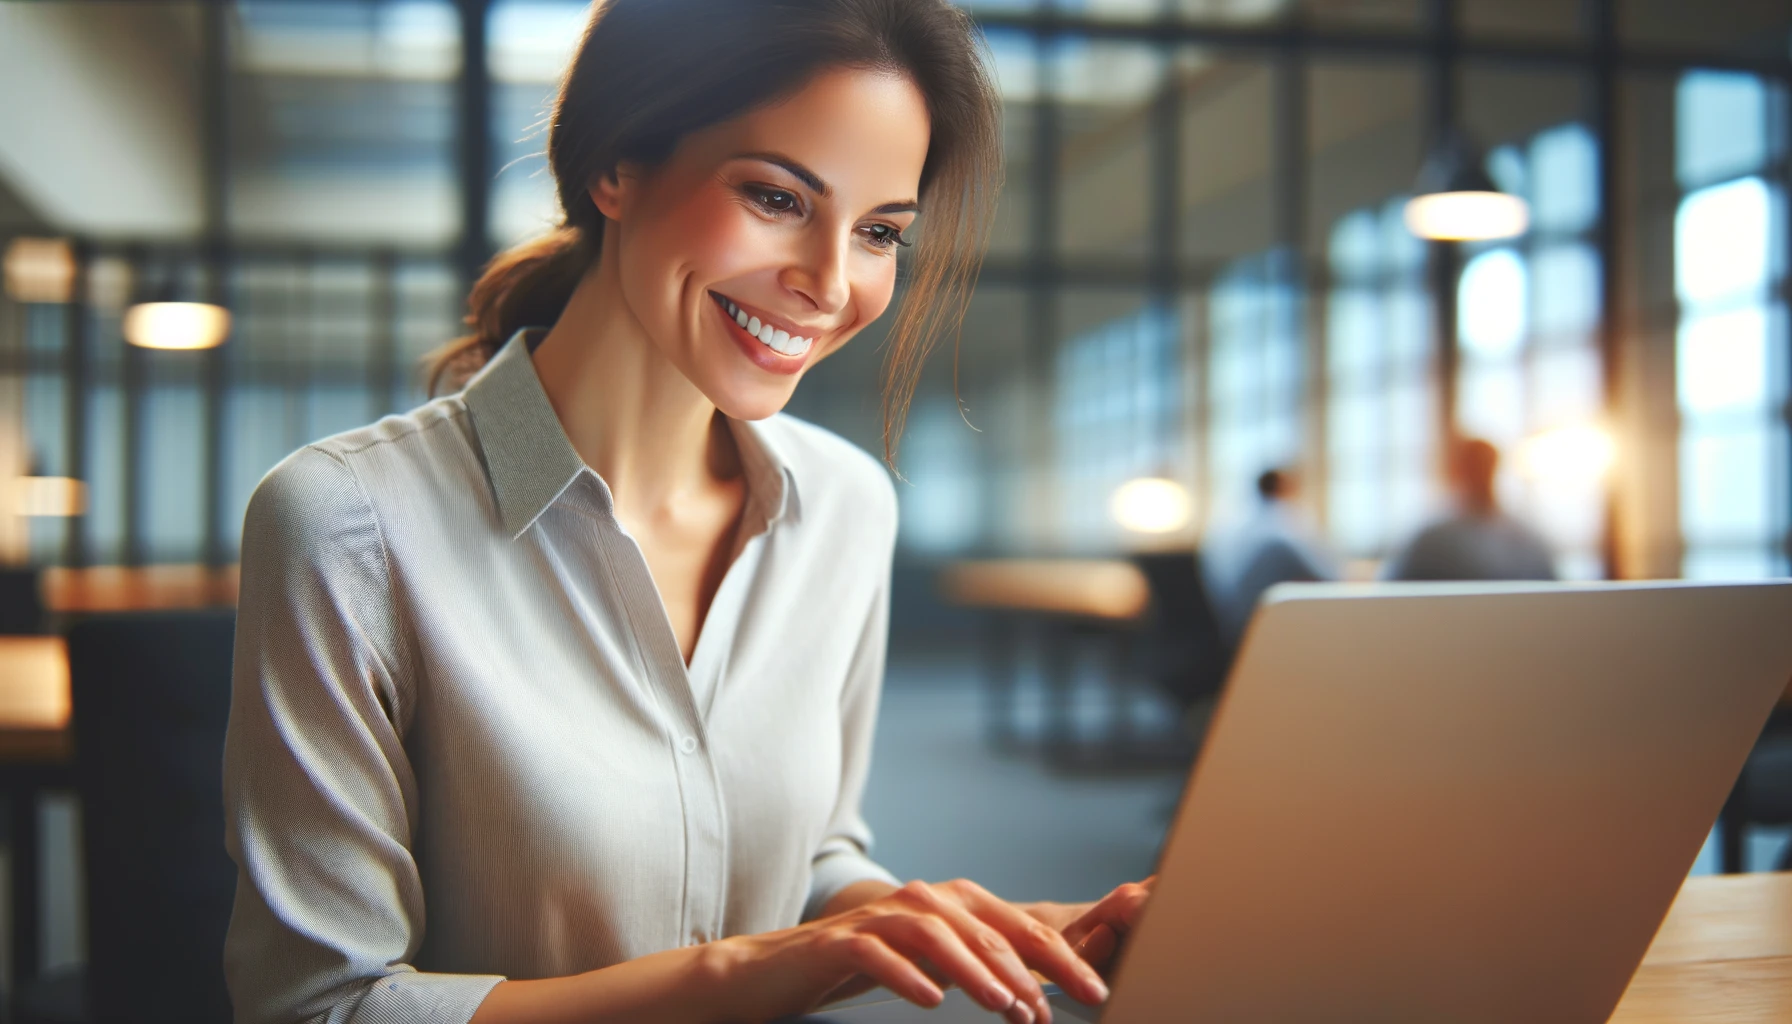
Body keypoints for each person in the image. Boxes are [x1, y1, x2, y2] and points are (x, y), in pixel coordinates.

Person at [221, 3, 1148, 1023]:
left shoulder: (844, 508)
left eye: (880, 230)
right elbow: (322, 1005)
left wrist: (994, 935)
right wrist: (731, 976)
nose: (830, 283)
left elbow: (811, 862)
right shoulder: (348, 522)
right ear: (616, 165)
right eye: (775, 196)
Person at [1383, 437, 1558, 582]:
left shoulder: (1526, 538)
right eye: (1475, 466)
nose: (1480, 474)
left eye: (1484, 465)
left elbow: (1552, 597)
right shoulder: (1431, 540)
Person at [1200, 468, 1339, 650]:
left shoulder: (1231, 523)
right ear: (1282, 487)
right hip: (1265, 625)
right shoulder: (1280, 525)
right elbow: (1328, 577)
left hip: (1228, 622)